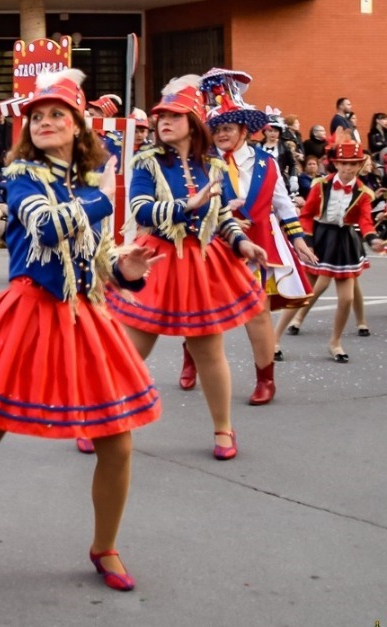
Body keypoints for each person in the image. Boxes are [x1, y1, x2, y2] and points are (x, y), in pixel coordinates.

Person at [0, 68, 163, 593]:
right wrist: (105, 195)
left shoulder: (87, 184)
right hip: (28, 311)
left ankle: (105, 546)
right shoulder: (24, 174)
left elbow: (91, 262)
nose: (46, 122)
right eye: (38, 115)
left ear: (78, 126)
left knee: (116, 441)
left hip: (84, 313)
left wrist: (124, 272)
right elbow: (48, 226)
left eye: (58, 114)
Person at [103, 76, 266, 461]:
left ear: (193, 121)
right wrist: (187, 205)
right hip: (155, 262)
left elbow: (223, 214)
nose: (164, 121)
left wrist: (242, 242)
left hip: (201, 263)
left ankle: (224, 429)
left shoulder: (212, 163)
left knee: (209, 352)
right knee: (129, 352)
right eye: (161, 115)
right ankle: (103, 421)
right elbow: (141, 208)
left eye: (174, 115)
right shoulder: (146, 162)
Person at [182, 70, 315, 405]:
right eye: (216, 128)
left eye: (228, 127)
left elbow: (283, 204)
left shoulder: (267, 163)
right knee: (202, 312)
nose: (221, 134)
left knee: (258, 314)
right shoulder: (201, 162)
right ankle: (191, 356)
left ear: (243, 129)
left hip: (259, 246)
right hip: (213, 247)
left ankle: (265, 378)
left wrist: (298, 239)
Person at [282, 141, 382, 363]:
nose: (348, 169)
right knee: (308, 288)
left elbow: (366, 221)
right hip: (321, 237)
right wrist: (306, 239)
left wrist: (373, 239)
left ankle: (336, 341)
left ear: (360, 164)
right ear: (335, 163)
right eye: (343, 164)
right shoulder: (321, 185)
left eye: (353, 164)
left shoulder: (363, 192)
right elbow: (306, 214)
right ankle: (285, 329)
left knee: (346, 297)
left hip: (345, 240)